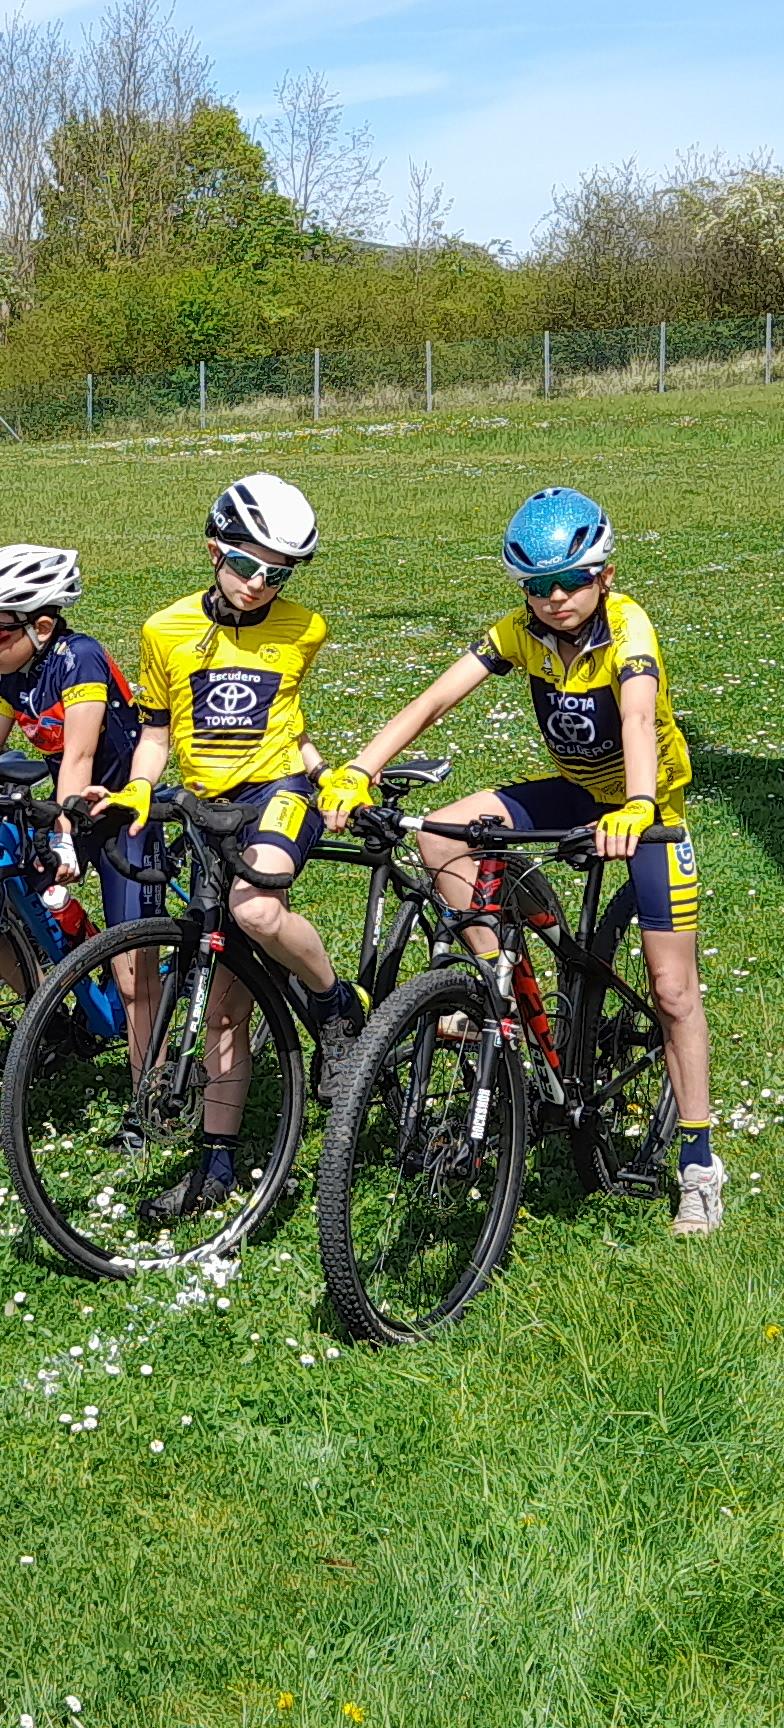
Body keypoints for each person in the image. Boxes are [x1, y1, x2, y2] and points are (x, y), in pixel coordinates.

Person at [318, 486, 722, 1238]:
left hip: (649, 814)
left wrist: (637, 806)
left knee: (672, 992)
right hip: (574, 795)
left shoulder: (629, 630)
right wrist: (360, 767)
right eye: (537, 587)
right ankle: (498, 987)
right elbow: (435, 701)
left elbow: (636, 713)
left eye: (572, 580)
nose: (556, 599)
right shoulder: (519, 633)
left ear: (604, 573)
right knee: (439, 831)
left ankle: (699, 1164)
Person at [88, 471, 367, 1221]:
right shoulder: (163, 630)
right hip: (203, 803)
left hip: (276, 794)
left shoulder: (304, 628)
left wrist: (319, 772)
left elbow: (286, 718)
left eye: (278, 574)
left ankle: (335, 1004)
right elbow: (155, 732)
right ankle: (216, 1166)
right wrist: (142, 788)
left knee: (258, 910)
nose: (258, 585)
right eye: (246, 565)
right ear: (213, 547)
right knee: (221, 1012)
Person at [0, 543, 164, 1006]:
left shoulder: (80, 658)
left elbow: (79, 756)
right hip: (67, 807)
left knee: (134, 981)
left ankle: (147, 1078)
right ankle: (53, 1021)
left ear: (42, 627)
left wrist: (62, 836)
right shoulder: (10, 671)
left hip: (118, 811)